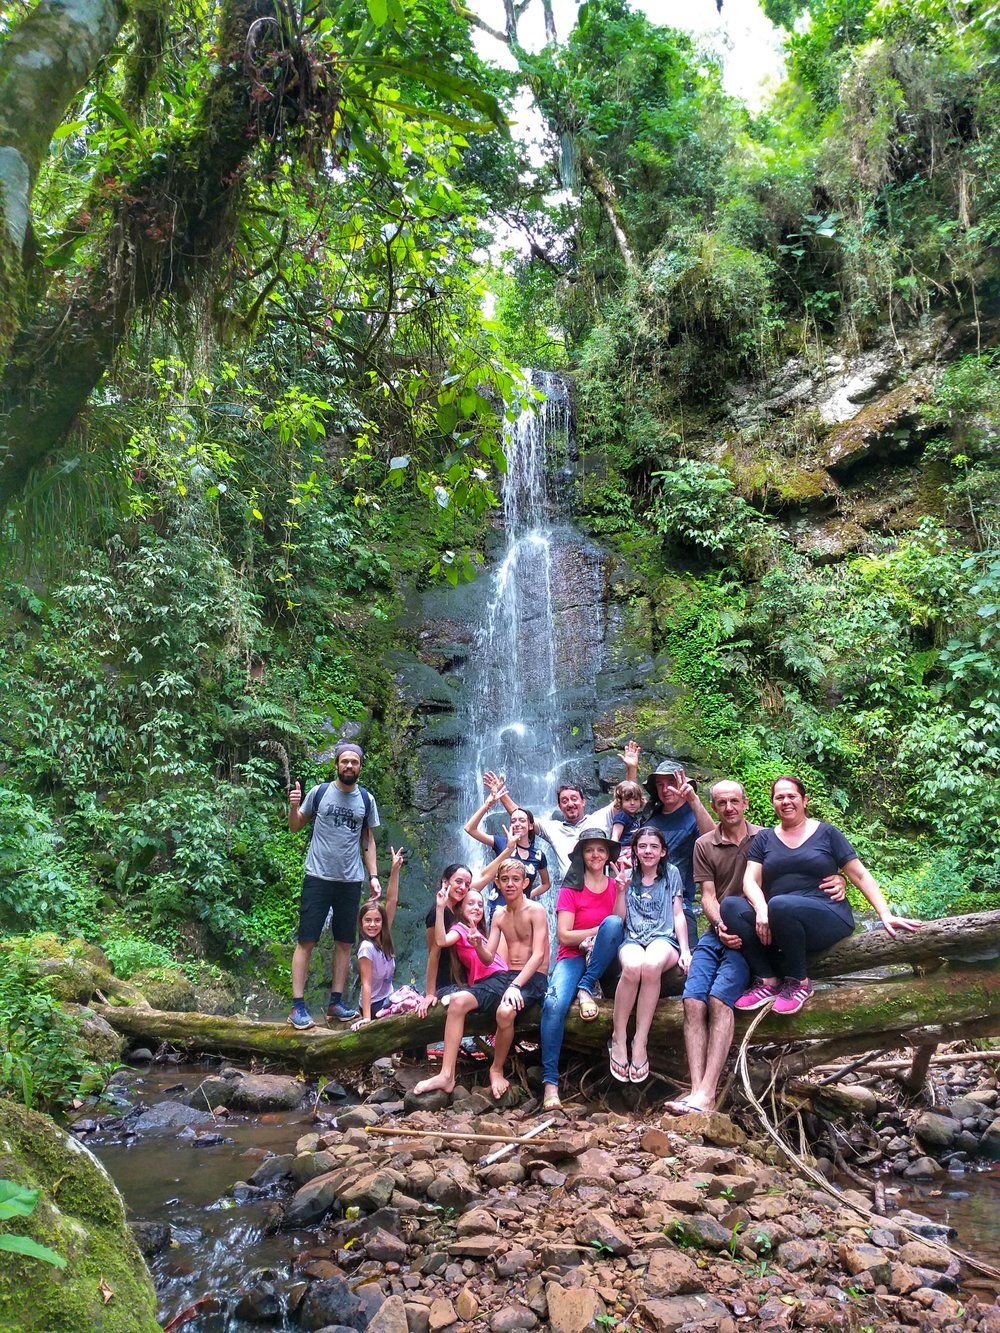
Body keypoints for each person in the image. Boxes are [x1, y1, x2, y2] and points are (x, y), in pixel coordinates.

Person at [724, 776, 922, 1015]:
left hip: (826, 915)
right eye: (779, 797)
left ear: (805, 800)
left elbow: (859, 874)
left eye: (792, 796)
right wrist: (762, 910)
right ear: (773, 803)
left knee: (781, 905)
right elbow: (750, 880)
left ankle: (799, 982)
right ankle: (768, 981)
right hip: (779, 918)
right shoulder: (764, 838)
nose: (786, 801)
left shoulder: (827, 833)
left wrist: (885, 914)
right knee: (731, 906)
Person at [414, 859, 549, 1101]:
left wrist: (516, 985)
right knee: (457, 1001)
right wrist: (477, 945)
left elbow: (538, 954)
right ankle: (447, 1075)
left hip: (532, 978)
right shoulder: (498, 915)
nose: (510, 884)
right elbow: (488, 960)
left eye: (516, 880)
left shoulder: (536, 910)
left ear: (525, 883)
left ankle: (496, 1070)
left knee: (505, 1013)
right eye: (504, 880)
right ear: (497, 883)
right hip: (504, 977)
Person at [665, 781, 761, 1113]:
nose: (729, 808)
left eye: (735, 801)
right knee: (693, 1000)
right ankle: (695, 1089)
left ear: (745, 803)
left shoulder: (764, 839)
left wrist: (834, 880)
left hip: (749, 939)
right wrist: (721, 925)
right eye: (722, 803)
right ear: (715, 807)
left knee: (720, 999)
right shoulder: (705, 844)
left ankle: (707, 1092)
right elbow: (707, 895)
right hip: (715, 932)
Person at [287, 741, 381, 1029]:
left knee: (344, 942)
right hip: (318, 876)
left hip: (350, 880)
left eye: (354, 762)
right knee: (307, 940)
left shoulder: (366, 800)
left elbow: (368, 841)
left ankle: (335, 1003)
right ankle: (298, 1006)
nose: (349, 766)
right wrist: (292, 806)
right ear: (337, 764)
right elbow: (295, 826)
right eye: (345, 761)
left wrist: (374, 875)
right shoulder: (319, 793)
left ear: (360, 766)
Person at [540, 828, 626, 1111]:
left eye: (601, 850)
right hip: (573, 956)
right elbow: (564, 936)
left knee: (613, 924)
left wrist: (623, 892)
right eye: (590, 850)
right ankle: (550, 1084)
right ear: (581, 855)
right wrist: (595, 933)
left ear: (608, 854)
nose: (596, 855)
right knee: (553, 1005)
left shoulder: (615, 885)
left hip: (606, 959)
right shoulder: (570, 889)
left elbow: (618, 926)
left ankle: (585, 986)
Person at [488, 740, 641, 884]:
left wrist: (631, 768)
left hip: (600, 886)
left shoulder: (601, 817)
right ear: (560, 807)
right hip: (569, 891)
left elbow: (627, 798)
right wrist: (502, 794)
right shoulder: (553, 828)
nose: (570, 804)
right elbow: (521, 816)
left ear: (583, 802)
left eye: (574, 799)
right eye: (564, 801)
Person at [610, 826, 691, 1084]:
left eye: (654, 847)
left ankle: (640, 1040)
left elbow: (678, 914)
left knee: (651, 964)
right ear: (634, 850)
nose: (648, 851)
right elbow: (618, 919)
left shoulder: (672, 874)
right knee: (633, 967)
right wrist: (620, 890)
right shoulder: (625, 874)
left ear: (663, 851)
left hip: (663, 937)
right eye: (642, 846)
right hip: (632, 937)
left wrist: (686, 950)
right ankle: (619, 1037)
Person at [420, 840, 519, 1012]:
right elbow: (434, 953)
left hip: (465, 975)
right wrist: (430, 993)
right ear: (445, 881)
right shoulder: (438, 912)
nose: (463, 887)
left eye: (467, 884)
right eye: (458, 882)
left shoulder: (460, 902)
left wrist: (508, 851)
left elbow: (485, 875)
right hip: (447, 980)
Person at [643, 759, 716, 946]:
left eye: (671, 783)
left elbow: (712, 840)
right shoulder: (650, 818)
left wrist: (694, 801)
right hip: (644, 900)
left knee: (690, 956)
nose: (665, 789)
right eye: (660, 785)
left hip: (678, 900)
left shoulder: (694, 816)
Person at [464, 782, 550, 911]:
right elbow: (470, 829)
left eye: (522, 820)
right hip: (498, 910)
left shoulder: (538, 855)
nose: (517, 824)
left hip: (522, 913)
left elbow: (546, 884)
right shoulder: (502, 843)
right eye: (513, 820)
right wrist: (488, 804)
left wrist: (527, 895)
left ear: (531, 825)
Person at [351, 845, 404, 1030]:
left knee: (417, 1003)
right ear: (361, 923)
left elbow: (392, 901)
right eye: (368, 921)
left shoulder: (383, 938)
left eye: (377, 920)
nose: (372, 924)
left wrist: (395, 869)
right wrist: (367, 1019)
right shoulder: (366, 947)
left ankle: (413, 1059)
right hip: (374, 1005)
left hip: (387, 998)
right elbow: (366, 984)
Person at [434, 886, 509, 985]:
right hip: (489, 981)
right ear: (460, 908)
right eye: (470, 903)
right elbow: (441, 941)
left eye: (480, 905)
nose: (477, 908)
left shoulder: (481, 934)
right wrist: (440, 908)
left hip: (502, 976)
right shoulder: (459, 929)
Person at [610, 780, 645, 848]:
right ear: (620, 801)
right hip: (624, 849)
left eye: (635, 799)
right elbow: (615, 836)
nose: (632, 803)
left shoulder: (635, 818)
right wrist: (614, 851)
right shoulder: (622, 816)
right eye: (627, 800)